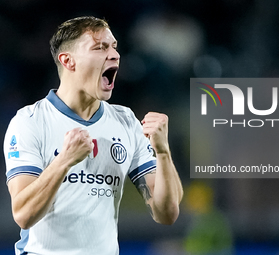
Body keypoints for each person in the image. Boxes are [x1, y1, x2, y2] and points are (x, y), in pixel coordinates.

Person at [4, 16, 183, 255]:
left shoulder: (126, 121)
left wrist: (163, 151)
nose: (114, 55)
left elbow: (166, 213)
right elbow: (23, 215)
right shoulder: (30, 121)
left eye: (114, 47)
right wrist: (65, 160)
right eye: (100, 48)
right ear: (68, 61)